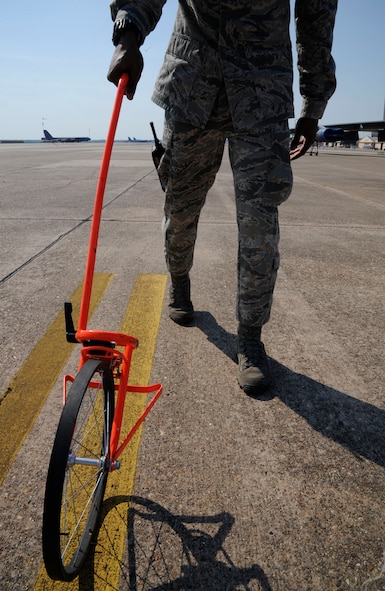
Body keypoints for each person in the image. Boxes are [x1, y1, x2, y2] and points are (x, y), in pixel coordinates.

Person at [107, 0, 338, 396]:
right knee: (180, 209)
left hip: (262, 91)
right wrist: (129, 33)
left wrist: (313, 103)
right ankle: (179, 279)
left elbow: (316, 12)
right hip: (192, 83)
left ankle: (250, 337)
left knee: (259, 226)